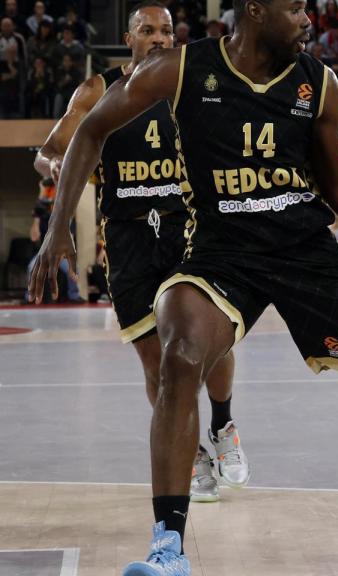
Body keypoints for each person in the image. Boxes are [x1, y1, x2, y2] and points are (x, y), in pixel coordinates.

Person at [28, 0, 338, 572]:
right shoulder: (180, 69)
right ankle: (168, 546)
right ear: (254, 10)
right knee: (178, 354)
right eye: (295, 7)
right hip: (223, 252)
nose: (307, 19)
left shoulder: (317, 84)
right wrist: (56, 229)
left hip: (305, 254)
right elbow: (92, 128)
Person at [32, 0, 248, 504]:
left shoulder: (194, 84)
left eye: (166, 30)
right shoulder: (97, 90)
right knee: (155, 360)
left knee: (212, 337)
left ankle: (223, 423)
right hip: (128, 237)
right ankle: (191, 455)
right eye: (147, 30)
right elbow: (49, 152)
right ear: (129, 39)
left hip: (188, 230)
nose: (159, 38)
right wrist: (56, 171)